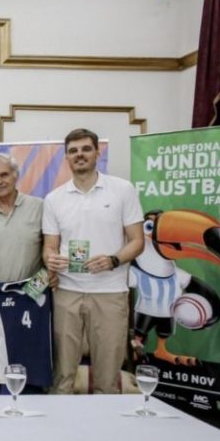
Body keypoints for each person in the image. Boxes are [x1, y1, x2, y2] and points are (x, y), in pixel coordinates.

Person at [43, 128, 144, 394]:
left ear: (97, 152)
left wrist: (113, 260)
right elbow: (49, 247)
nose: (80, 155)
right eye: (73, 151)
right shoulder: (54, 199)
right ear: (66, 157)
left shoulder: (122, 190)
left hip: (110, 293)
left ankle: (104, 432)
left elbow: (137, 241)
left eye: (86, 149)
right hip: (67, 292)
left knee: (107, 376)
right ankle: (59, 431)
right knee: (63, 374)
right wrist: (51, 261)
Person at [0, 154, 52, 393]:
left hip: (31, 299)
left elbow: (51, 247)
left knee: (29, 363)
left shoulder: (39, 207)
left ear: (16, 175)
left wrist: (45, 278)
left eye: (4, 174)